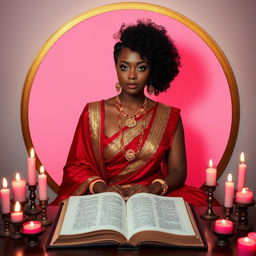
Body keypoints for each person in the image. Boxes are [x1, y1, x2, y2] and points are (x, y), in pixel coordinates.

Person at [52, 20, 211, 206]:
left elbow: (178, 171)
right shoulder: (93, 113)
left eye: (141, 67)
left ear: (152, 70)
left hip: (153, 197)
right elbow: (76, 168)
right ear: (116, 67)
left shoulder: (169, 117)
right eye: (124, 67)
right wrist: (104, 190)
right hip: (106, 197)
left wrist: (153, 189)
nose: (132, 75)